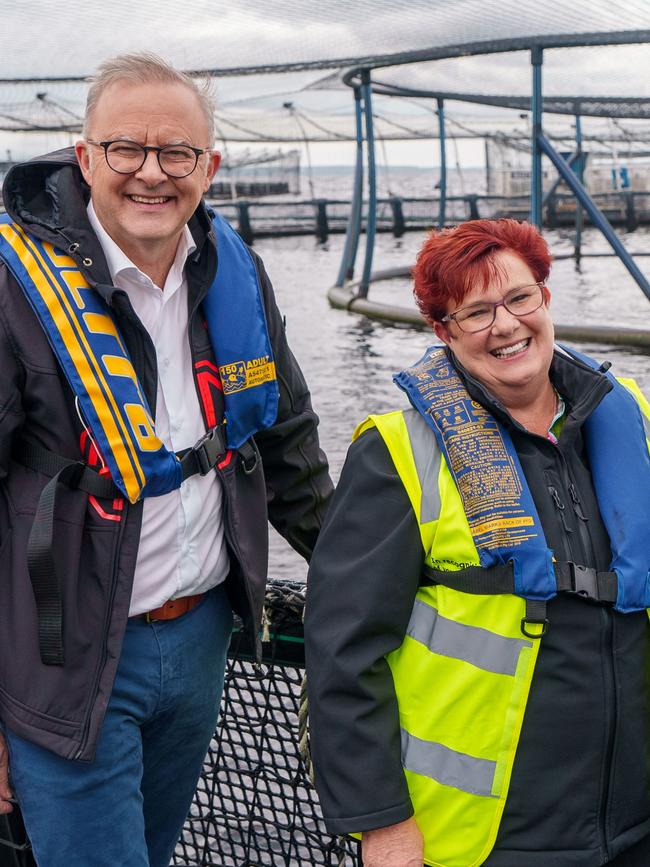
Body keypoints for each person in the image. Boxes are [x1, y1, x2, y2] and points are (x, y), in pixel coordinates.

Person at [0, 52, 332, 867]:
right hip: (63, 659)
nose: (152, 173)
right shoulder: (11, 292)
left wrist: (375, 576)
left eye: (176, 153)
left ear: (209, 166)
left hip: (200, 646)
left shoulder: (237, 275)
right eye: (126, 149)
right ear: (85, 157)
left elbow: (288, 451)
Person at [305, 219, 650, 867]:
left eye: (520, 298)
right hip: (490, 838)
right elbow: (342, 653)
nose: (506, 324)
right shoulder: (397, 454)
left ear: (545, 300)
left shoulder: (629, 418)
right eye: (475, 311)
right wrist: (382, 822)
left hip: (634, 821)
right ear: (442, 330)